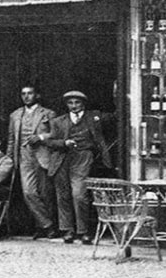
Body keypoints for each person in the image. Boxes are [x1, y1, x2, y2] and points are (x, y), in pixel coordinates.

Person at [43, 91, 112, 244]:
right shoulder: (58, 121)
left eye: (77, 103)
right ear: (66, 105)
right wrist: (63, 143)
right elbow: (50, 142)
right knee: (63, 195)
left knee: (79, 194)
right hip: (62, 158)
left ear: (83, 104)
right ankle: (67, 230)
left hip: (83, 157)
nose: (74, 106)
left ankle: (83, 230)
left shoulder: (93, 118)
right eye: (70, 103)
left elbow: (114, 118)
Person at [7, 85, 58, 239]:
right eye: (23, 94)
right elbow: (11, 139)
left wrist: (41, 137)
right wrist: (9, 159)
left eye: (30, 93)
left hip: (43, 155)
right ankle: (47, 225)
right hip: (23, 157)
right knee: (28, 192)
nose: (26, 96)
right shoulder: (15, 115)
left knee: (45, 193)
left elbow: (57, 133)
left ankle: (43, 227)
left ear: (37, 95)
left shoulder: (48, 113)